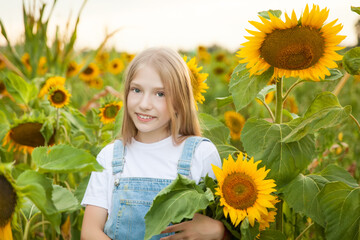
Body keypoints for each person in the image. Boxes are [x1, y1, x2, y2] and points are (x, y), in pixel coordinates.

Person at [81, 47, 228, 240]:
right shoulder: (110, 156)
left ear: (180, 100)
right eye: (137, 90)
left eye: (160, 94)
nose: (144, 104)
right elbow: (90, 232)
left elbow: (227, 226)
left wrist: (219, 231)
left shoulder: (200, 153)